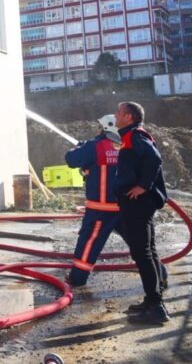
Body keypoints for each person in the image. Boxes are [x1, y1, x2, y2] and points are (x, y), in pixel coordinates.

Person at [114, 101, 170, 325]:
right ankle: (152, 301)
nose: (115, 116)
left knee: (142, 253)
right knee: (148, 251)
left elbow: (154, 159)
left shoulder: (135, 136)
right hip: (140, 203)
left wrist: (143, 186)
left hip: (138, 203)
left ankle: (156, 307)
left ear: (128, 117)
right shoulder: (131, 136)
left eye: (118, 112)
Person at [63, 114, 122, 287]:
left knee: (89, 243)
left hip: (100, 210)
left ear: (105, 128)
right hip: (125, 207)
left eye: (99, 127)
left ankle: (77, 278)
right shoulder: (126, 146)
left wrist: (79, 147)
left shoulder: (94, 146)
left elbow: (71, 159)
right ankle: (159, 274)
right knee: (140, 244)